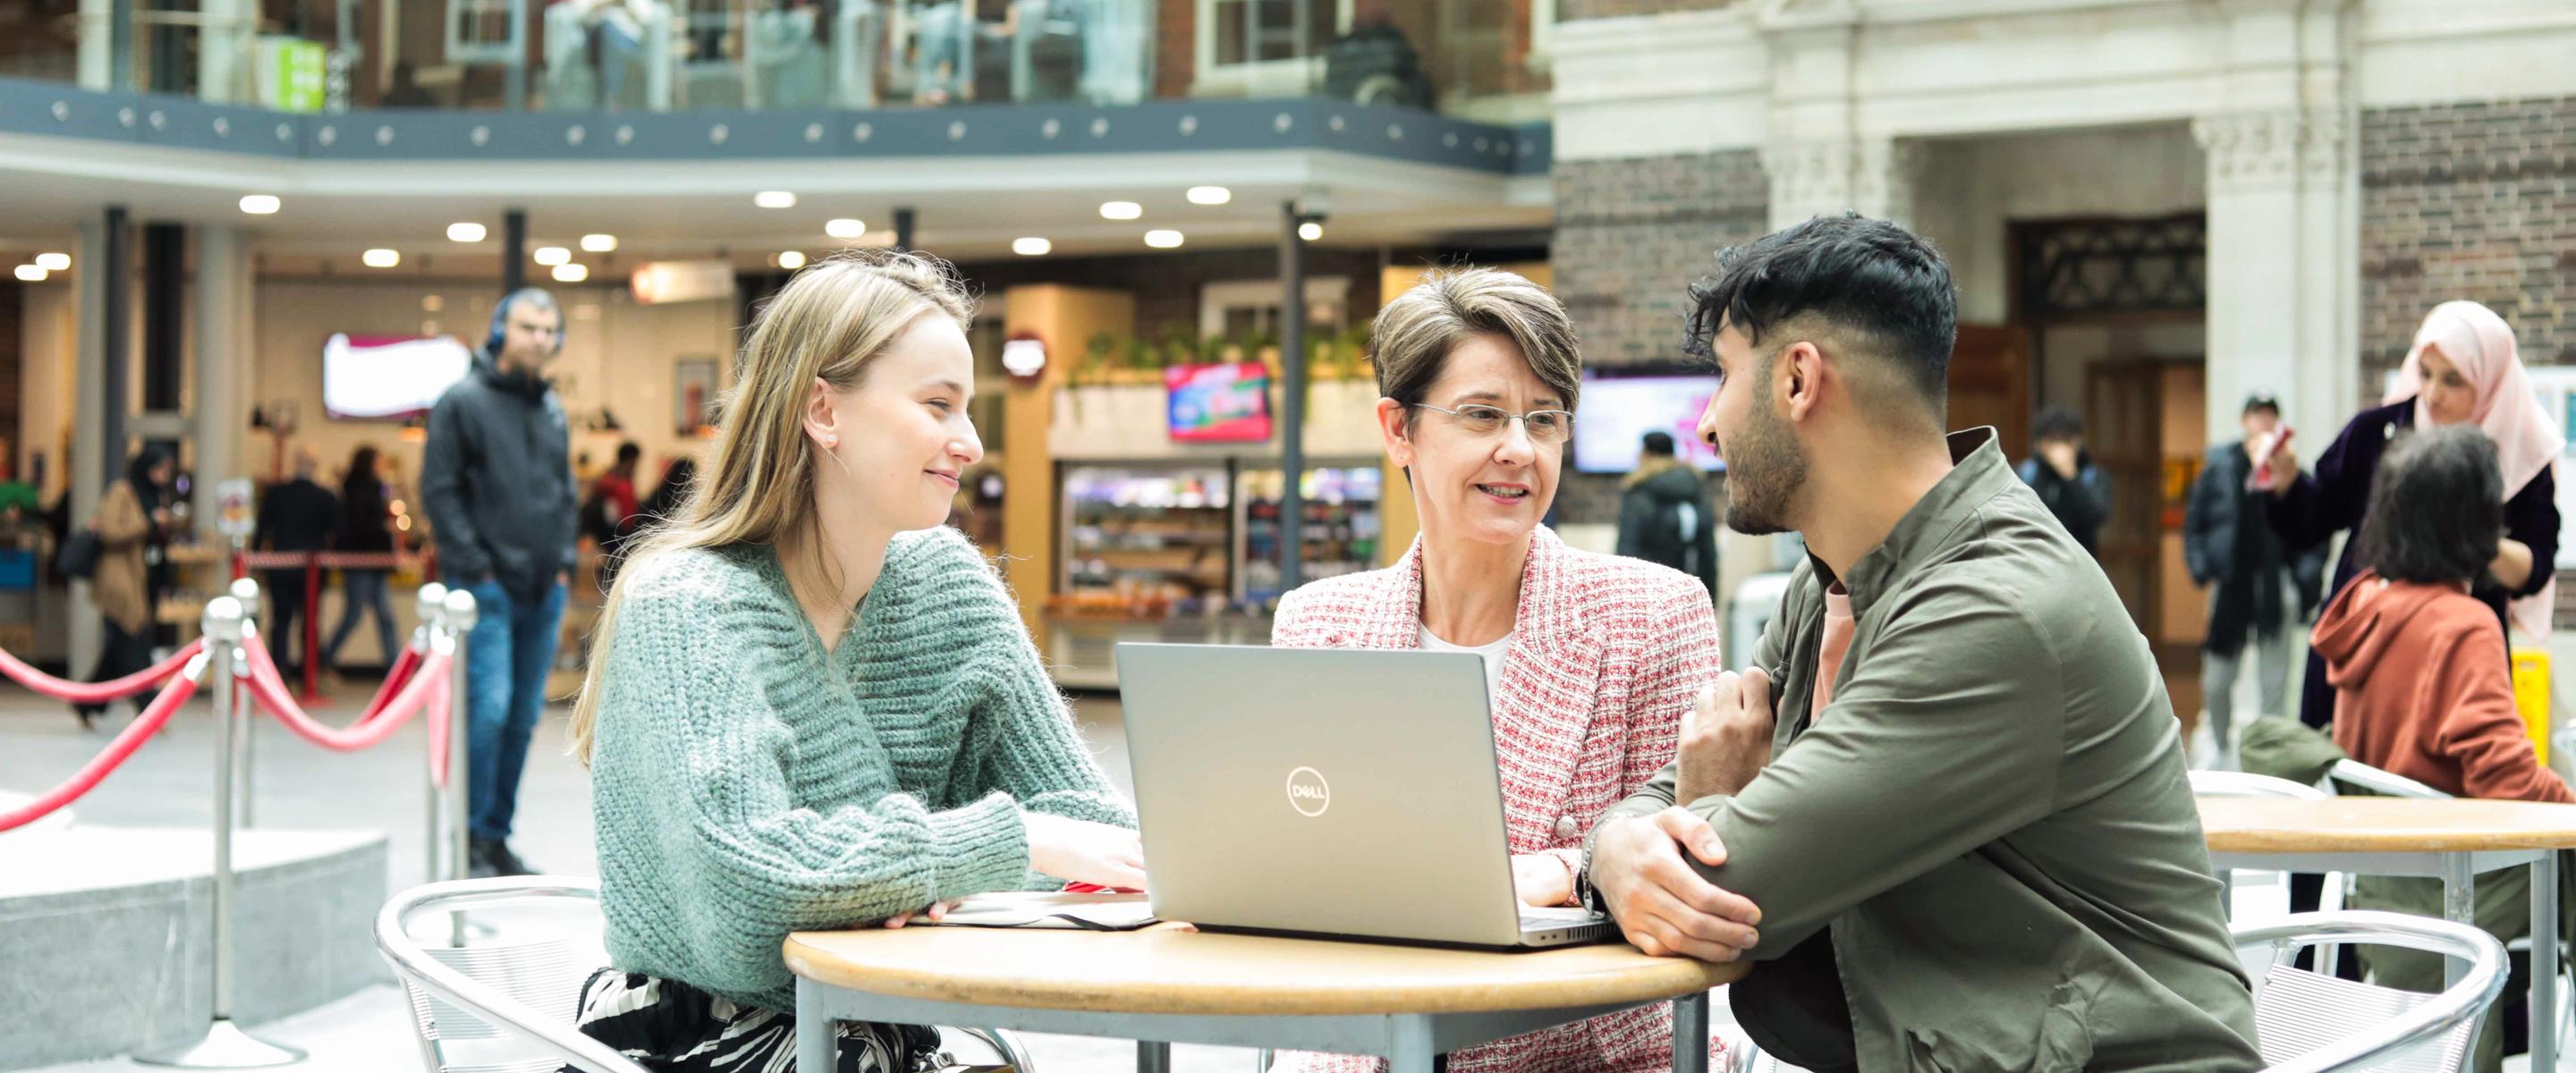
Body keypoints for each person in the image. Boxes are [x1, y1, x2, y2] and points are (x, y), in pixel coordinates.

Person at [1579, 215, 2258, 1071]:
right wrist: (1612, 845)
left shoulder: (1997, 612)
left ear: (1797, 380)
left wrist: (1683, 813)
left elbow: (1727, 886)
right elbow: (1662, 820)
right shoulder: (1840, 572)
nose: (1708, 426)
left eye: (1721, 379)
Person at [568, 250, 1143, 1071]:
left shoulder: (950, 583)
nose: (972, 443)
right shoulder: (686, 603)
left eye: (968, 409)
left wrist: (961, 866)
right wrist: (1001, 844)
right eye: (938, 404)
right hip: (705, 1044)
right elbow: (752, 898)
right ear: (822, 411)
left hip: (889, 1033)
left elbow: (1098, 835)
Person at [1268, 268, 1726, 1072]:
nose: (1518, 449)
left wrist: (1568, 869)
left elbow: (1685, 865)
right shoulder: (1317, 624)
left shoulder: (1654, 614)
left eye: (1543, 420)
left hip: (1590, 1056)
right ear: (1398, 429)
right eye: (1482, 415)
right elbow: (1298, 869)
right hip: (1365, 1049)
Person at [2309, 425, 2573, 1073]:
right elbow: (2504, 773)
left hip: (2377, 890)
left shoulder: (2363, 608)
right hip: (2449, 885)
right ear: (2476, 522)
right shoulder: (2462, 624)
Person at [2267, 299, 2563, 730]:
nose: (2433, 395)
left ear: (2491, 381)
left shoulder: (2520, 451)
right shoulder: (2376, 432)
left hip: (2456, 658)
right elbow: (2310, 521)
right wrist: (2286, 481)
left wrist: (2474, 541)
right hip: (2363, 646)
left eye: (2454, 380)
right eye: (2424, 374)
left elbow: (2535, 565)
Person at [422, 287, 581, 880]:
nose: (539, 337)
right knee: (487, 712)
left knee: (521, 716)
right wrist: (477, 568)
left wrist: (563, 560)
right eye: (527, 326)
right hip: (485, 589)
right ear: (499, 330)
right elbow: (440, 492)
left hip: (544, 587)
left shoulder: (550, 408)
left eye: (548, 329)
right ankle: (468, 836)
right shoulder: (461, 403)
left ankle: (494, 836)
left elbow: (564, 492)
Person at [2182, 394, 2325, 768]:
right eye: (2256, 415)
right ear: (2244, 420)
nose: (2262, 423)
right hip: (2232, 585)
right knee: (2217, 679)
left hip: (2277, 586)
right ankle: (2219, 743)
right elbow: (2195, 521)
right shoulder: (2221, 468)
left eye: (2270, 416)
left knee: (2275, 679)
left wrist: (2304, 582)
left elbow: (2315, 530)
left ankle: (2270, 755)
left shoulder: (2292, 471)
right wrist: (2203, 566)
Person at [73, 448, 175, 730]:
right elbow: (108, 531)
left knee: (119, 651)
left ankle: (86, 701)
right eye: (159, 470)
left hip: (143, 580)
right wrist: (147, 522)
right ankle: (150, 710)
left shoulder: (157, 495)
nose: (162, 476)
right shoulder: (123, 491)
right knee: (134, 646)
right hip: (121, 581)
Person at [254, 449, 342, 679]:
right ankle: (308, 674)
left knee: (280, 622)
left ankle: (278, 674)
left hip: (280, 567)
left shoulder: (276, 494)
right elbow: (337, 533)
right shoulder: (325, 497)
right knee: (309, 623)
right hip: (312, 570)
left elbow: (262, 530)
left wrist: (257, 558)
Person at [324, 444, 402, 673]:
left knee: (385, 617)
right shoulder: (358, 490)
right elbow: (361, 525)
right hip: (360, 561)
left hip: (375, 562)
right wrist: (384, 530)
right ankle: (323, 659)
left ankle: (395, 669)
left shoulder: (373, 489)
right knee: (354, 615)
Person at [1615, 430, 1718, 597]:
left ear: (1647, 454)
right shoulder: (1695, 488)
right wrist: (1710, 596)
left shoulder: (1639, 491)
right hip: (1691, 590)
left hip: (1648, 592)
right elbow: (1708, 552)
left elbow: (1627, 548)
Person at [2015, 406, 2112, 556]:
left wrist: (2071, 475)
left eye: (2066, 440)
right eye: (2052, 441)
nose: (2059, 448)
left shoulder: (2093, 475)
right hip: (2034, 559)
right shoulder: (2025, 473)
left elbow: (2097, 515)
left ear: (2078, 442)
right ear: (2040, 444)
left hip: (2079, 561)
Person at [586, 441, 643, 592]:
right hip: (615, 529)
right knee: (615, 563)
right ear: (630, 458)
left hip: (623, 528)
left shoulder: (617, 477)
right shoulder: (612, 480)